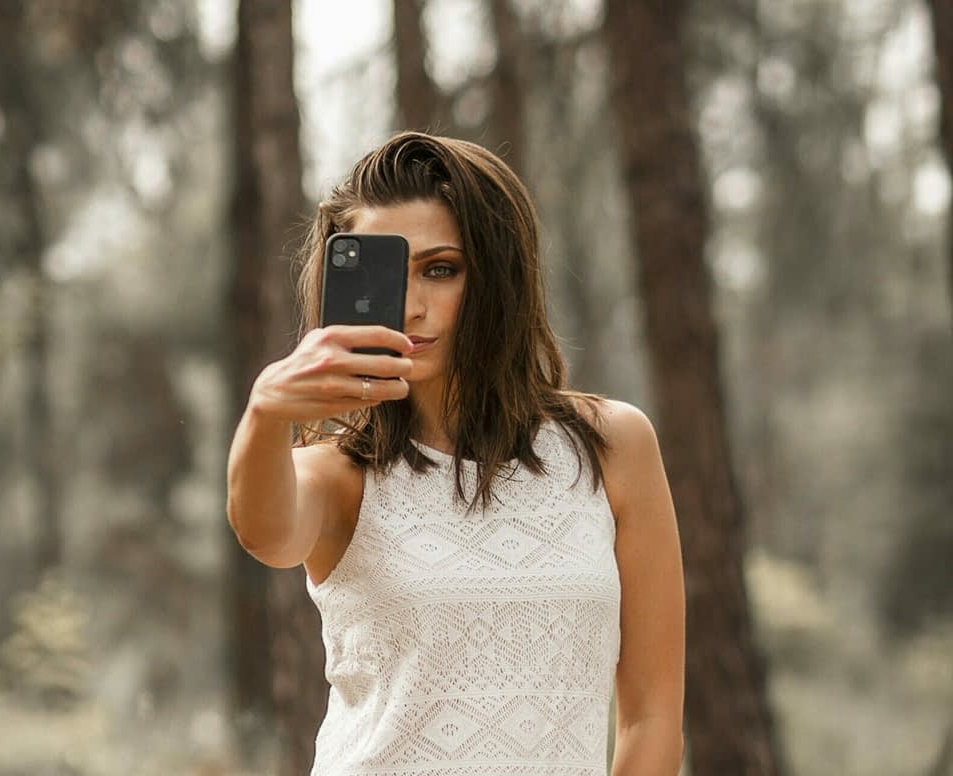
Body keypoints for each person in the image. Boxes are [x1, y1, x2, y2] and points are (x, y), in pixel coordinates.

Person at [226, 131, 685, 775]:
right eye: (392, 276)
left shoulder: (612, 446)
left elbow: (652, 717)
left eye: (441, 269)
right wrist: (266, 411)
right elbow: (265, 533)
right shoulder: (337, 476)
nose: (412, 307)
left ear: (499, 276)